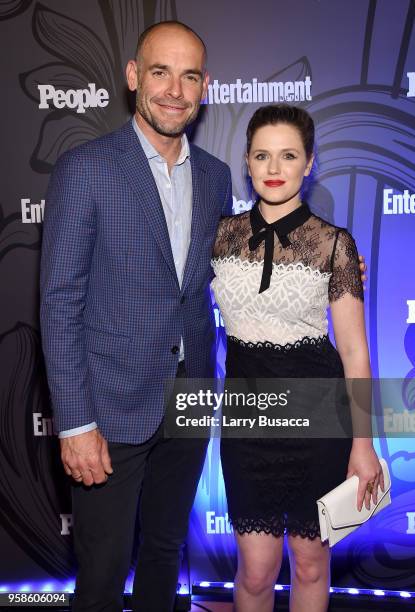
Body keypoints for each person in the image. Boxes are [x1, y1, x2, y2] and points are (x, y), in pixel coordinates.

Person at [40, 21, 232, 612]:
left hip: (189, 396)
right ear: (132, 78)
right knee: (101, 573)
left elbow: (215, 280)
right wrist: (74, 423)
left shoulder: (216, 176)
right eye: (160, 72)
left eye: (190, 75)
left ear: (204, 87)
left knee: (166, 555)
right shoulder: (87, 168)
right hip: (109, 407)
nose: (175, 89)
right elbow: (59, 299)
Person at [211, 104, 382, 612]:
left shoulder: (335, 246)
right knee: (256, 572)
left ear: (309, 164)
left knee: (310, 565)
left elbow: (354, 352)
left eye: (288, 155)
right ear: (247, 161)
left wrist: (364, 444)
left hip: (318, 425)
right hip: (248, 423)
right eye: (262, 155)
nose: (274, 167)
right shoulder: (219, 237)